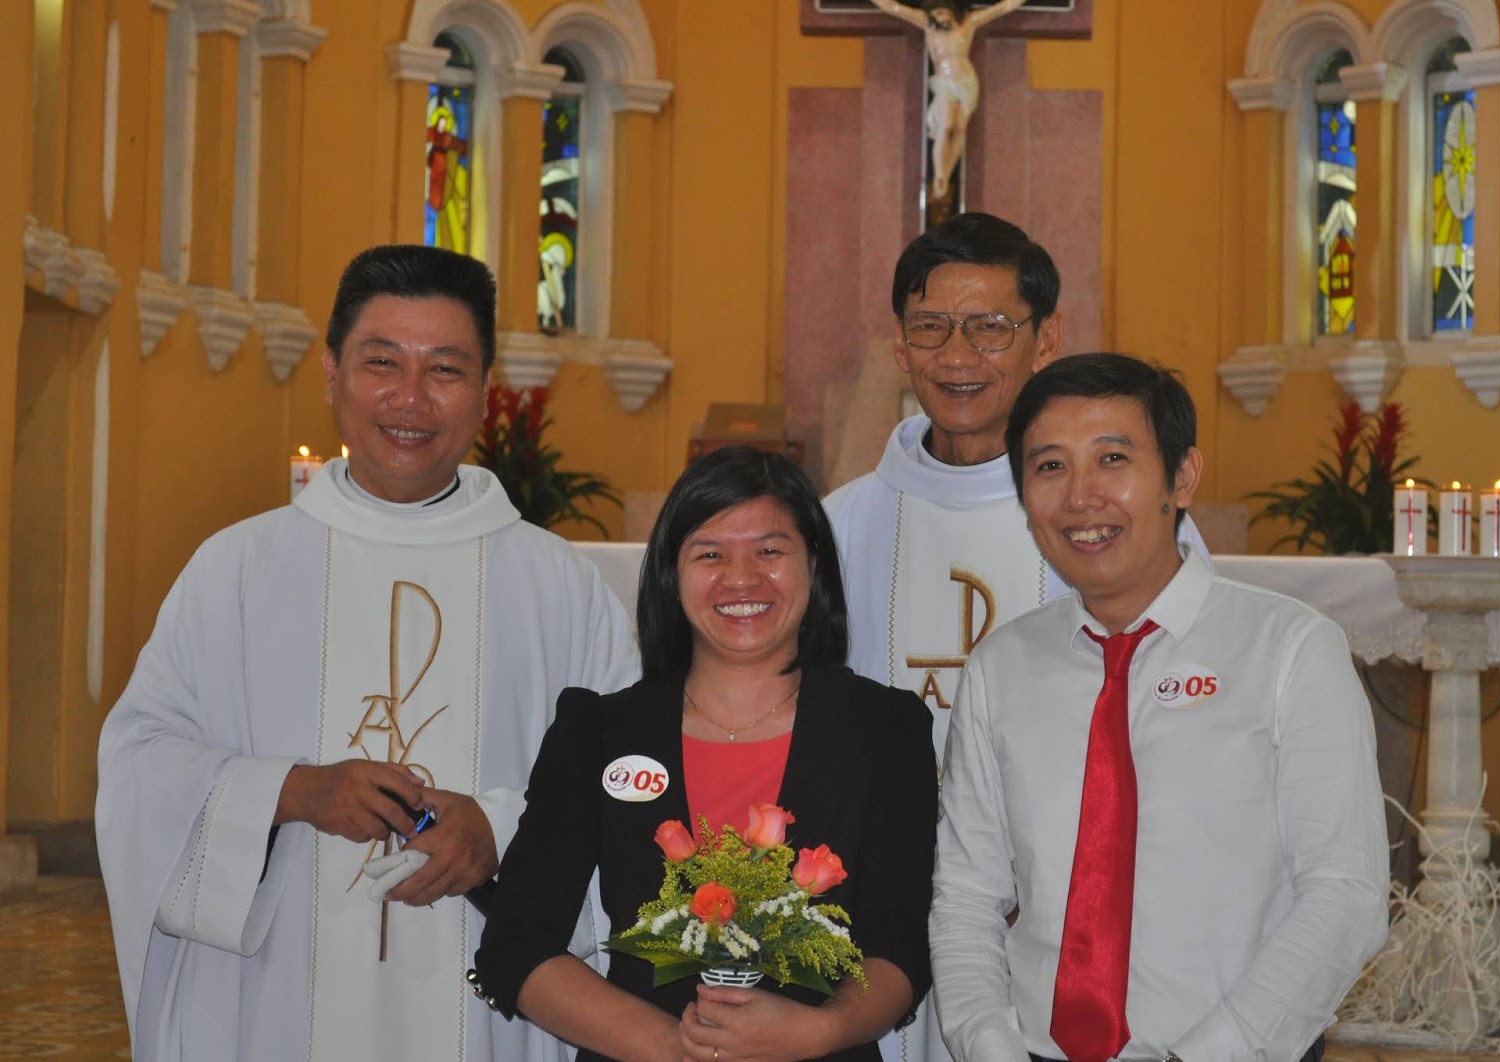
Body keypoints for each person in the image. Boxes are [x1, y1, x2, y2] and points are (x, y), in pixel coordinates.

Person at [95, 244, 638, 1061]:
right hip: (280, 995)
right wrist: (292, 791)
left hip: (492, 1004)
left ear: (485, 389)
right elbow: (139, 762)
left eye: (445, 369)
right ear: (330, 373)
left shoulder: (560, 585)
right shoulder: (236, 569)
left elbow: (629, 779)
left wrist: (500, 830)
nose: (410, 397)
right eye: (382, 362)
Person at [825, 212, 1210, 1062]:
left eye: (991, 327)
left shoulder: (1113, 518)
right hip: (878, 898)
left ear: (1047, 339)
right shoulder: (841, 525)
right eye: (931, 326)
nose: (958, 355)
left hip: (1073, 906)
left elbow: (1183, 717)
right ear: (901, 345)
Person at [931, 353, 1390, 1062]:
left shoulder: (1290, 649)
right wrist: (990, 1048)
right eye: (1049, 466)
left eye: (1112, 459)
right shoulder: (1002, 668)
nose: (1081, 497)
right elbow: (966, 895)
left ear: (1182, 477)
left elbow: (1344, 894)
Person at [473, 446, 939, 1061]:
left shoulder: (885, 728)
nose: (741, 578)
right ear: (672, 573)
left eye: (770, 551)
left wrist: (818, 1031)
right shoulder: (600, 732)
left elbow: (900, 943)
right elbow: (518, 945)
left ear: (813, 564)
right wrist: (677, 1046)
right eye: (709, 554)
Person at [866, 0, 1029, 202]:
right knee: (945, 126)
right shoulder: (927, 24)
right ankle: (940, 175)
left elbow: (1002, 8)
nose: (941, 17)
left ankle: (947, 173)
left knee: (960, 128)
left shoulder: (968, 24)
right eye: (936, 14)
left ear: (951, 11)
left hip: (967, 80)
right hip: (944, 81)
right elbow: (894, 8)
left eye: (943, 12)